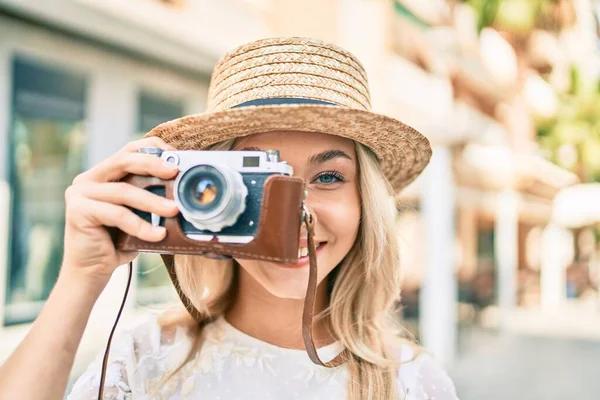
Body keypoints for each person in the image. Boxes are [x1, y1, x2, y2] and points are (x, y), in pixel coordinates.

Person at [0, 37, 458, 400]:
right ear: (205, 194)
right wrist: (80, 277)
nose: (295, 211)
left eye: (328, 176)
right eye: (260, 180)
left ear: (365, 203)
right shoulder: (142, 362)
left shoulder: (413, 384)